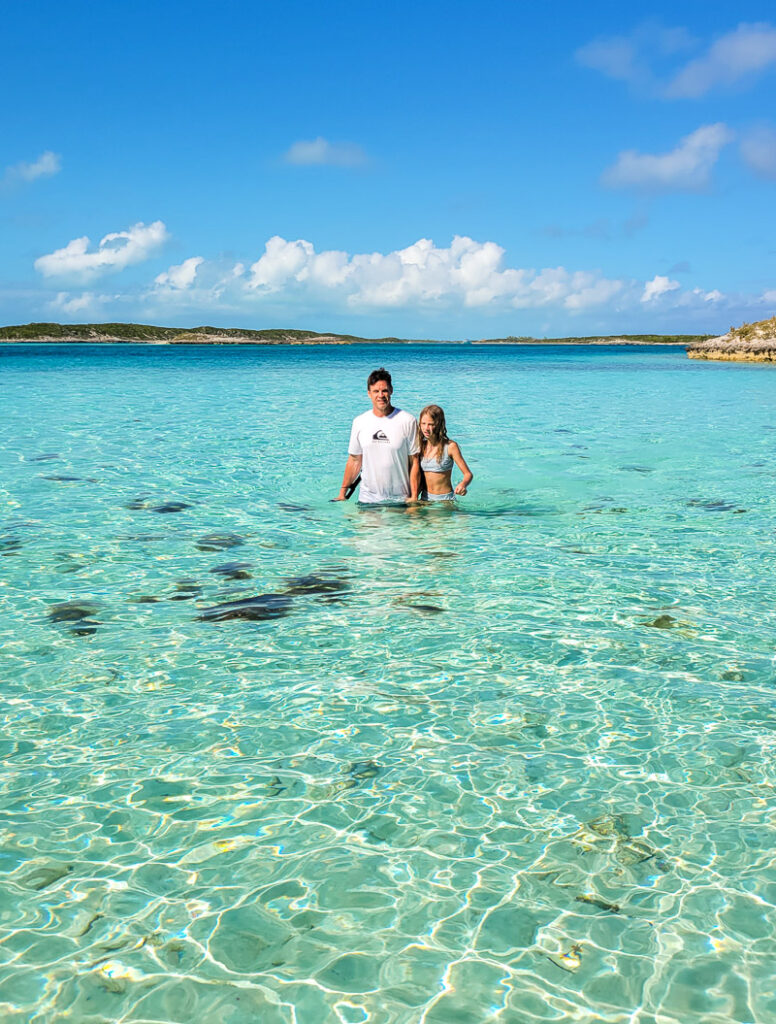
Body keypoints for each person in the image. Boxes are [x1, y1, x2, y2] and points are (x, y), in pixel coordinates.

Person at [335, 368, 421, 504]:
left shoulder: (408, 420)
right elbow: (354, 460)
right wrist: (342, 493)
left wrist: (414, 497)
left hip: (399, 500)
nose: (380, 395)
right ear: (369, 393)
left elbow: (414, 461)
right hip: (367, 500)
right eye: (376, 391)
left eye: (384, 390)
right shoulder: (359, 422)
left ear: (391, 390)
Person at [417, 404, 473, 502]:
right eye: (423, 423)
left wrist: (463, 484)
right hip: (425, 499)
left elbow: (468, 474)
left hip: (445, 500)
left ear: (439, 424)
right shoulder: (421, 446)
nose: (426, 428)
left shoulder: (451, 447)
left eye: (430, 424)